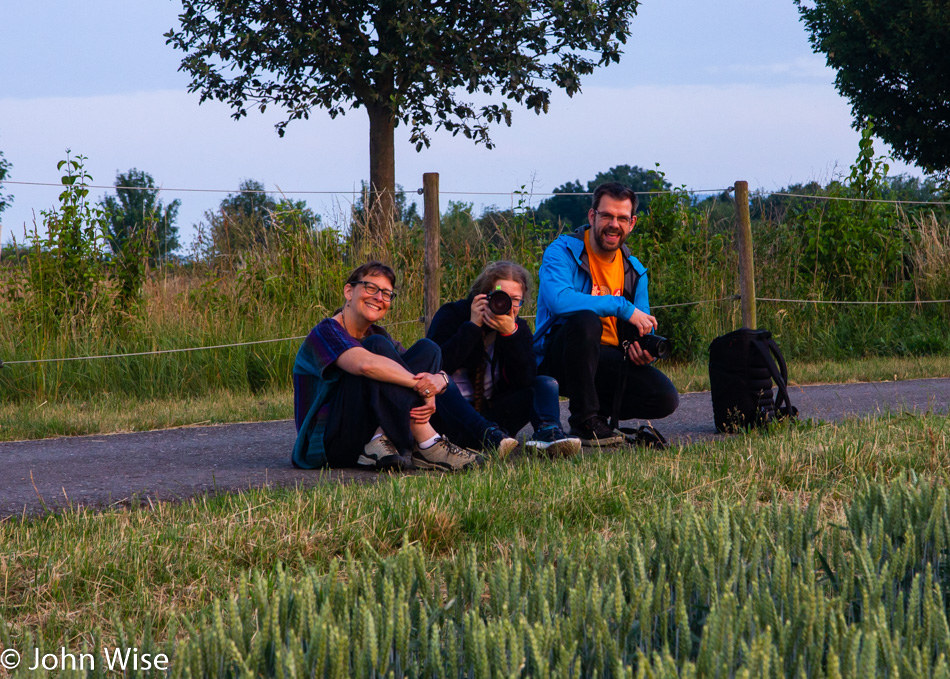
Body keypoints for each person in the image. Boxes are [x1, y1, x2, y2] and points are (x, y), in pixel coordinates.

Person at [292, 260, 479, 472]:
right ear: (349, 291)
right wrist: (424, 387)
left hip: (370, 441)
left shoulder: (378, 334)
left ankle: (380, 437)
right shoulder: (326, 332)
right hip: (329, 442)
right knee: (376, 349)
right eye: (371, 288)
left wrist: (441, 380)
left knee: (429, 349)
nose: (379, 298)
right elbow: (365, 365)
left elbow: (412, 366)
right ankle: (428, 442)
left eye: (386, 293)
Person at [533, 182, 679, 446]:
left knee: (664, 397)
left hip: (609, 358)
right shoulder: (562, 251)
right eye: (607, 216)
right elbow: (559, 301)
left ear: (632, 223)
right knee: (586, 319)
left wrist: (645, 352)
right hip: (560, 355)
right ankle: (584, 420)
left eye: (622, 218)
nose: (614, 224)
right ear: (592, 216)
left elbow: (643, 324)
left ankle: (599, 416)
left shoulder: (635, 271)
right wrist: (620, 306)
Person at [427, 261, 581, 457]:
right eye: (500, 297)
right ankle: (487, 435)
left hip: (497, 422)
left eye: (515, 300)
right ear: (483, 295)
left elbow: (525, 381)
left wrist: (511, 335)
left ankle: (549, 434)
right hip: (451, 420)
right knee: (442, 381)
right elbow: (436, 364)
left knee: (544, 382)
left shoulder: (519, 329)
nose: (506, 305)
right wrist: (472, 327)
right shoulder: (453, 315)